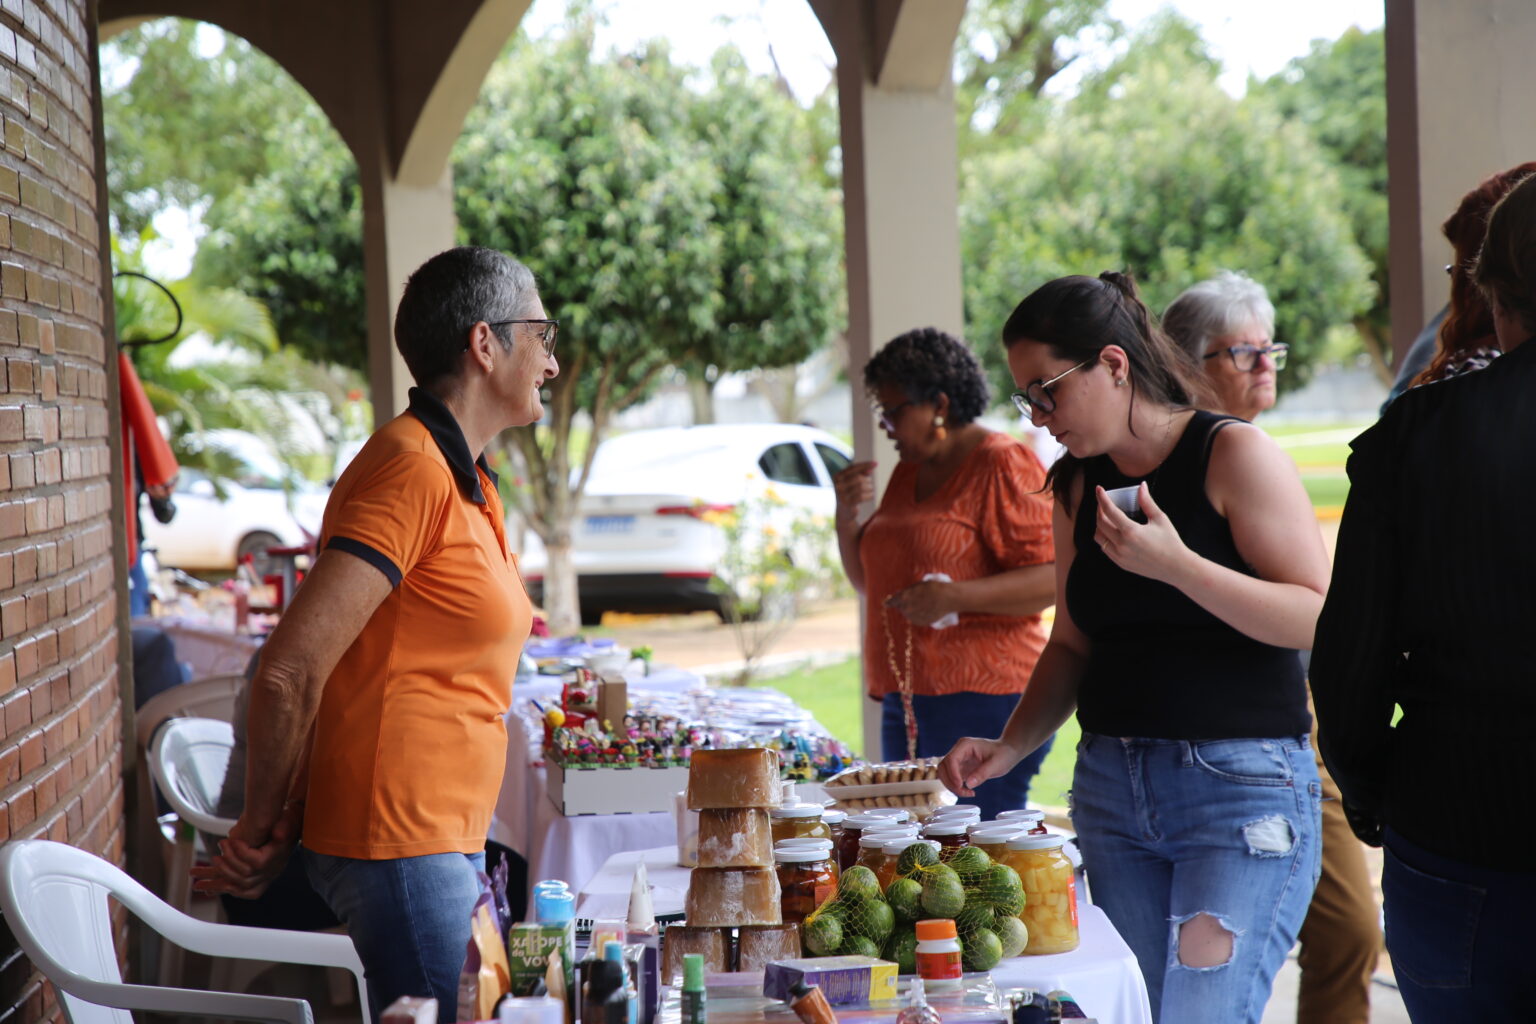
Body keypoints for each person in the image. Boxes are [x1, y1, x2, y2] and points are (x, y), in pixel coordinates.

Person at [939, 273, 1328, 1024]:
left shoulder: (1231, 454)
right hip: (1115, 790)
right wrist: (1011, 745)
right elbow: (1072, 644)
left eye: (1048, 390)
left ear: (1114, 365)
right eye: (1026, 399)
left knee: (1199, 1014)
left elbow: (1316, 615)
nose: (1041, 416)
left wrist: (1177, 567)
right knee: (1136, 1011)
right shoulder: (1078, 487)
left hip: (1239, 792)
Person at [194, 246, 559, 1022]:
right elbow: (290, 670)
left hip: (437, 829)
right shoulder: (411, 470)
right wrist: (262, 830)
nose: (552, 363)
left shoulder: (465, 474)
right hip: (400, 838)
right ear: (484, 343)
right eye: (542, 335)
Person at [1311, 172, 1536, 1022]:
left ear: (1493, 295)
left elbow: (1351, 658)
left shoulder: (1414, 437)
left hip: (1455, 832)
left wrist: (1370, 796)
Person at [1163, 272, 1381, 1024]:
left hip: (1300, 720)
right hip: (1222, 744)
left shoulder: (1251, 452)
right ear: (1190, 364)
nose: (1265, 366)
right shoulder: (1168, 467)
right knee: (1219, 961)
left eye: (1271, 349)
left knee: (1347, 933)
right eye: (1244, 351)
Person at [832, 327, 1056, 818]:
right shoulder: (908, 471)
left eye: (893, 411)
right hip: (908, 696)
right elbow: (873, 585)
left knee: (976, 862)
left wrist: (954, 597)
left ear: (937, 403)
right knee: (920, 861)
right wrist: (846, 516)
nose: (886, 425)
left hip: (986, 701)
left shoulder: (1001, 462)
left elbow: (1052, 578)